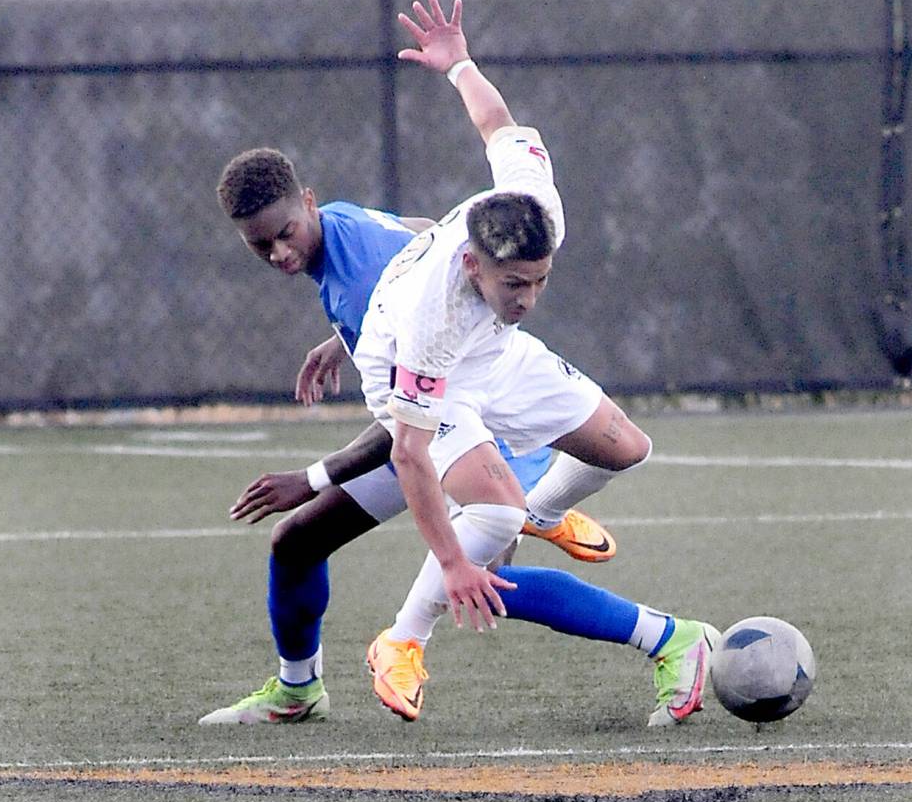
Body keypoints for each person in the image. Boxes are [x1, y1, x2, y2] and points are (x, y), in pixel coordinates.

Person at [354, 0, 718, 725]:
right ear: (473, 266)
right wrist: (454, 565)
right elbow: (411, 456)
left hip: (493, 354)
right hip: (415, 371)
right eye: (513, 284)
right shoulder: (437, 312)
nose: (529, 296)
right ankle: (401, 640)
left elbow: (496, 124)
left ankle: (541, 514)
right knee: (489, 510)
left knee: (625, 449)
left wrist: (458, 63)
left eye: (541, 281)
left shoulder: (536, 205)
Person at [198, 145, 616, 727]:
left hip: (451, 423)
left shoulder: (364, 278)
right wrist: (342, 339)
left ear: (308, 203)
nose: (280, 251)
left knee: (481, 569)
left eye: (285, 233)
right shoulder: (341, 222)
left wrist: (312, 477)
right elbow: (421, 231)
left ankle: (670, 639)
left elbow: (400, 427)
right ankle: (298, 693)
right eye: (260, 244)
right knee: (299, 543)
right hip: (433, 411)